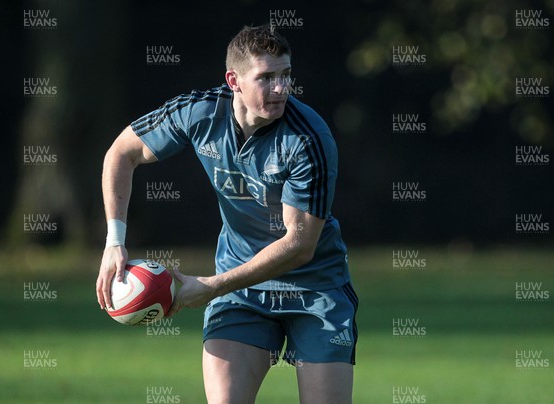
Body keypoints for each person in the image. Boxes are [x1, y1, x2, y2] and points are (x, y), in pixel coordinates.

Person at [96, 24, 358, 404]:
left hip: (315, 290)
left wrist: (213, 285)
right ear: (233, 80)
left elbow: (299, 246)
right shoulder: (200, 113)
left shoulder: (309, 140)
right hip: (243, 294)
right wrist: (114, 242)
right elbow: (122, 152)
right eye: (266, 77)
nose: (281, 88)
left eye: (286, 75)